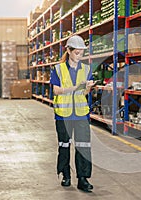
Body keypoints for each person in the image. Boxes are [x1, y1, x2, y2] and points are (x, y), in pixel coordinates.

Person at [50, 35, 95, 192]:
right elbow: (56, 90)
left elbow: (85, 93)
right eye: (76, 52)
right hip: (63, 114)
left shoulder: (86, 69)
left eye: (81, 52)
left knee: (83, 146)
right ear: (68, 51)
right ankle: (65, 175)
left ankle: (83, 179)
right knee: (64, 145)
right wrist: (75, 87)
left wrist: (87, 86)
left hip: (81, 114)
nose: (79, 55)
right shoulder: (58, 69)